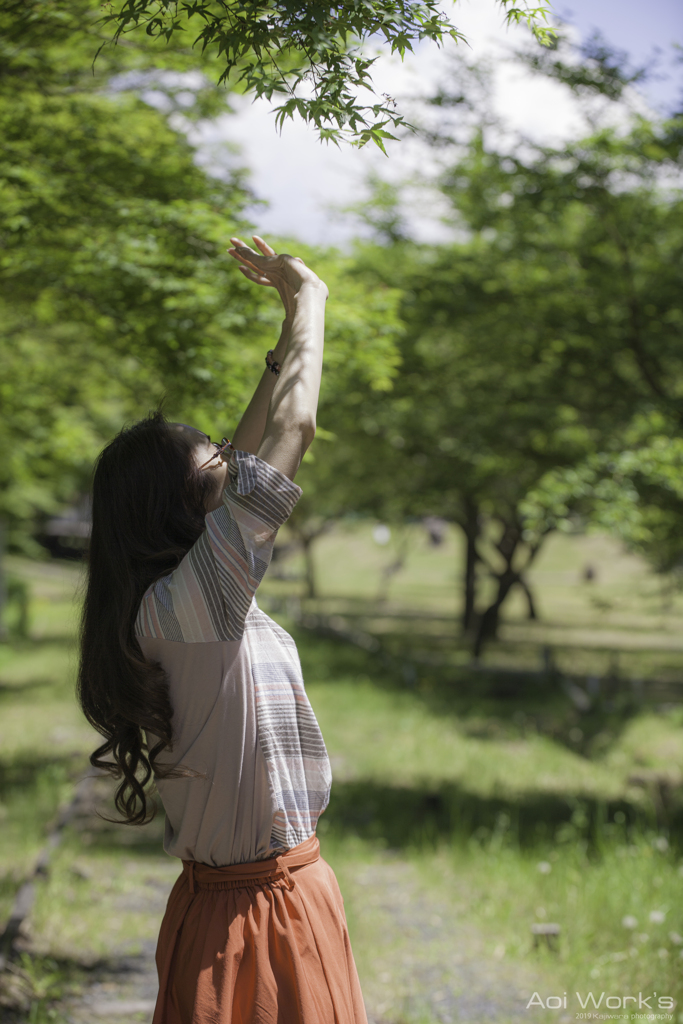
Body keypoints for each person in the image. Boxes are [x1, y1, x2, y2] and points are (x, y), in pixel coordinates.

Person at [77, 236, 368, 1024]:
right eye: (207, 451)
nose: (226, 453)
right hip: (253, 912)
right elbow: (291, 433)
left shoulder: (179, 596)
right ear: (176, 495)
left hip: (279, 893)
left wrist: (279, 345)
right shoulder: (195, 600)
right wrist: (312, 298)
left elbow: (241, 455)